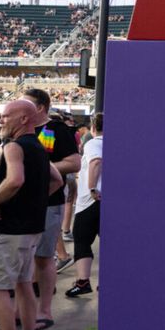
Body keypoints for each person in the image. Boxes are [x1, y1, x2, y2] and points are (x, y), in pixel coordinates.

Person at [0, 99, 59, 330]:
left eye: (6, 116)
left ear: (24, 119)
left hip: (11, 229)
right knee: (24, 283)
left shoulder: (13, 146)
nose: (1, 121)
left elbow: (14, 180)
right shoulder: (38, 147)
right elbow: (57, 180)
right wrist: (32, 204)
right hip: (31, 228)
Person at [20, 89, 81, 330]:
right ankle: (21, 311)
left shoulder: (56, 130)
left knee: (44, 258)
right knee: (23, 258)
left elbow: (74, 163)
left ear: (41, 107)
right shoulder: (19, 132)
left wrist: (42, 169)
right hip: (20, 206)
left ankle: (44, 311)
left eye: (27, 104)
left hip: (48, 204)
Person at [67, 112, 102, 297]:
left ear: (93, 127)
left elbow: (96, 162)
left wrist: (91, 189)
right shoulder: (118, 143)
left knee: (81, 239)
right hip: (105, 200)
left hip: (91, 201)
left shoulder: (94, 143)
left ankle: (83, 281)